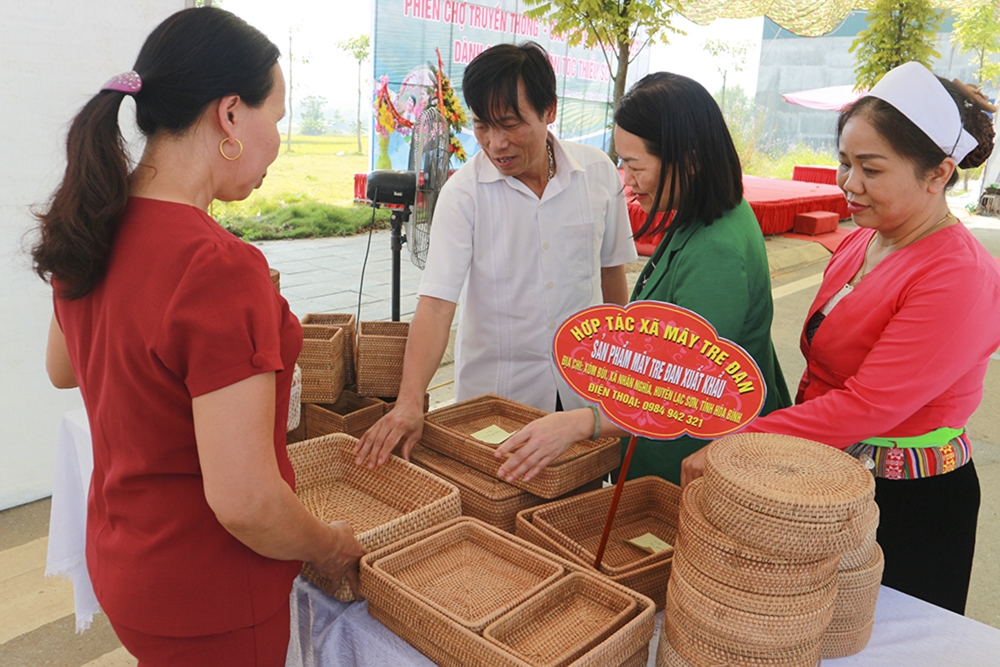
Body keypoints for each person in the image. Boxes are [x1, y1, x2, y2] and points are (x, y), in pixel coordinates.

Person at [32, 8, 365, 664]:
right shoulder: (215, 265)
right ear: (231, 115)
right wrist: (329, 543)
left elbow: (63, 366)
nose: (280, 138)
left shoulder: (96, 219)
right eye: (279, 114)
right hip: (210, 593)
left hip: (126, 556)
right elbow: (245, 498)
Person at [683, 62, 1000, 615]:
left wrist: (745, 440)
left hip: (905, 502)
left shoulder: (957, 274)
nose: (848, 185)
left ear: (939, 173)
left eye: (871, 169)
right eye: (844, 163)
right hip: (826, 472)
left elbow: (869, 405)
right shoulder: (867, 239)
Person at [494, 72, 792, 486]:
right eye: (621, 162)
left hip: (690, 464)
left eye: (635, 165)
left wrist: (581, 423)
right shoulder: (705, 212)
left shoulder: (716, 251)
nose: (627, 180)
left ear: (688, 161)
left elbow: (686, 386)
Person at [355, 42, 637, 468]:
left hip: (584, 399)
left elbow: (611, 276)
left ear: (549, 111)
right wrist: (409, 401)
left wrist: (620, 378)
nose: (496, 143)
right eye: (482, 126)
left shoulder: (597, 174)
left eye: (510, 124)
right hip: (498, 405)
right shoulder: (464, 194)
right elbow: (435, 304)